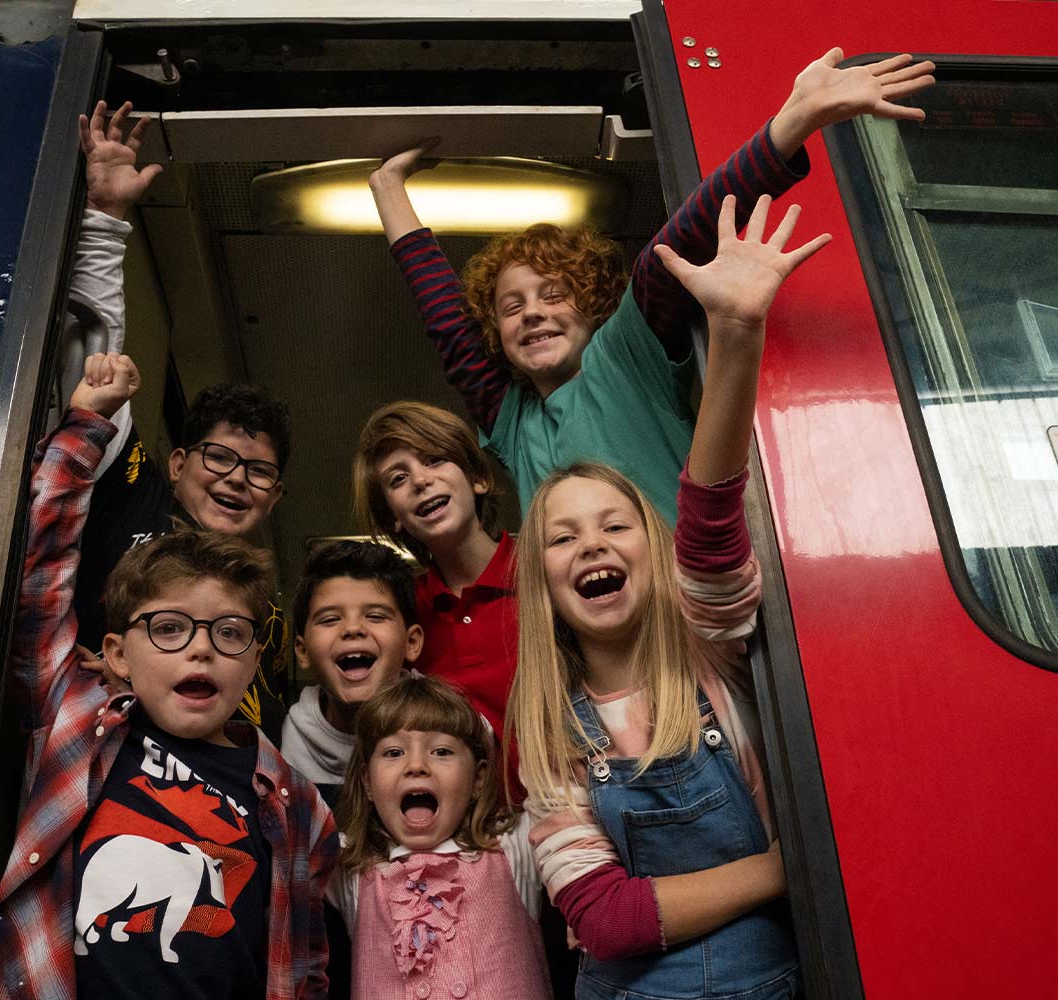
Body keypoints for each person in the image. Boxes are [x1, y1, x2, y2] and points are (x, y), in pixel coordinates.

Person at [369, 49, 934, 523]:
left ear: (592, 307)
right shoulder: (514, 422)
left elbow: (687, 234)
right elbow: (447, 323)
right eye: (511, 307)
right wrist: (386, 186)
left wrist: (793, 123)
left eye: (553, 295)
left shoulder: (624, 358)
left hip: (684, 621)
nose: (532, 314)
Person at [508, 193, 832, 999]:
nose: (591, 544)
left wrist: (736, 331)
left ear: (651, 555)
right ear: (541, 582)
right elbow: (605, 922)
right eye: (562, 536)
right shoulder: (547, 725)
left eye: (614, 525)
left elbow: (713, 509)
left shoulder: (710, 642)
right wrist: (788, 865)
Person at [0, 353, 335, 999]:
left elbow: (304, 963)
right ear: (116, 652)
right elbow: (38, 575)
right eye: (170, 630)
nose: (199, 651)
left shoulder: (299, 806)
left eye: (229, 633)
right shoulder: (78, 717)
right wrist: (88, 419)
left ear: (258, 656)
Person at [69, 101, 295, 740]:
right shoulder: (131, 491)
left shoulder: (261, 614)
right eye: (219, 458)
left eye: (258, 472)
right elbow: (98, 365)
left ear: (275, 497)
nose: (235, 480)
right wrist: (106, 220)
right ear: (177, 463)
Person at [331, 674, 551, 999]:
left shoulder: (512, 846)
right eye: (393, 753)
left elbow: (564, 787)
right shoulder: (349, 865)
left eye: (442, 751)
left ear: (478, 778)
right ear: (366, 782)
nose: (416, 765)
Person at [279, 538, 426, 1000]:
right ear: (302, 651)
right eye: (330, 619)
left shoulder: (457, 733)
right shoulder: (279, 755)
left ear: (413, 642)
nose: (352, 630)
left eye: (376, 615)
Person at [352, 401, 517, 750]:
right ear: (393, 516)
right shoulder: (401, 612)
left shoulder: (545, 575)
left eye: (435, 459)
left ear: (478, 478)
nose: (421, 480)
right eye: (398, 478)